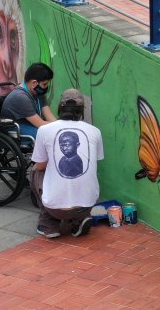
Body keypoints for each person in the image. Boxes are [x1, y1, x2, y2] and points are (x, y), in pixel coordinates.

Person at [30, 88, 103, 238]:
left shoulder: (44, 130)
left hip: (55, 208)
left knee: (34, 171)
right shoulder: (95, 131)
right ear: (81, 111)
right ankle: (79, 220)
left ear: (59, 108)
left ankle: (49, 224)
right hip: (86, 205)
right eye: (62, 145)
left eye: (68, 144)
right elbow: (94, 162)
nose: (64, 147)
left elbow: (41, 166)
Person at [0, 62, 56, 140]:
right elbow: (41, 124)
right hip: (14, 129)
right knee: (46, 136)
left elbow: (50, 118)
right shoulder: (21, 97)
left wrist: (59, 126)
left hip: (29, 124)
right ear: (34, 83)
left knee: (54, 132)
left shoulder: (39, 93)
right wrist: (59, 126)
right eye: (44, 84)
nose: (46, 87)